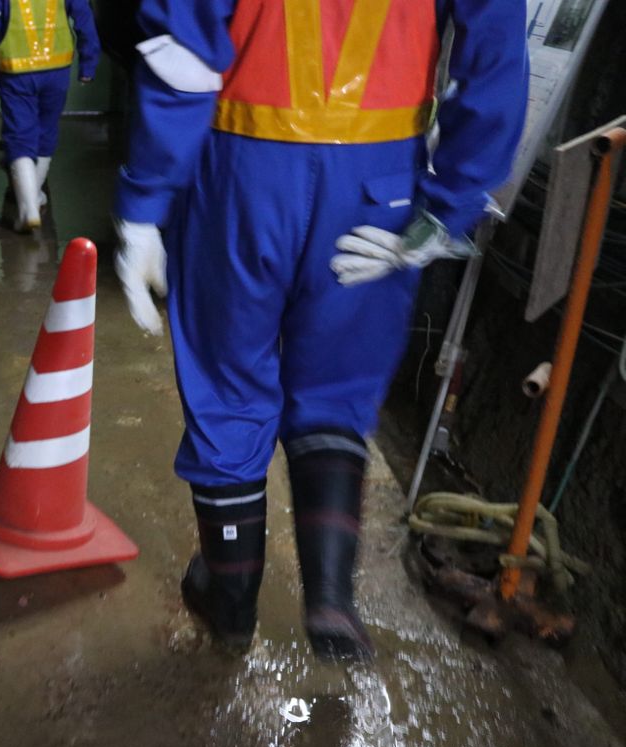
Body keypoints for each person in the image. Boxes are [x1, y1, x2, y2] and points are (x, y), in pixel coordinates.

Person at [113, 0, 528, 659]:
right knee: (336, 391)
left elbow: (186, 49)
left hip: (240, 171)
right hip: (378, 179)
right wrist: (448, 206)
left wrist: (145, 198)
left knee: (228, 383)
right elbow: (495, 56)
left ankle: (231, 603)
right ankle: (332, 600)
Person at [0, 0, 100, 232]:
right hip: (57, 66)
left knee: (18, 133)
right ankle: (34, 195)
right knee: (47, 127)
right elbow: (84, 19)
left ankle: (28, 208)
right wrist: (88, 64)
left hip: (14, 69)